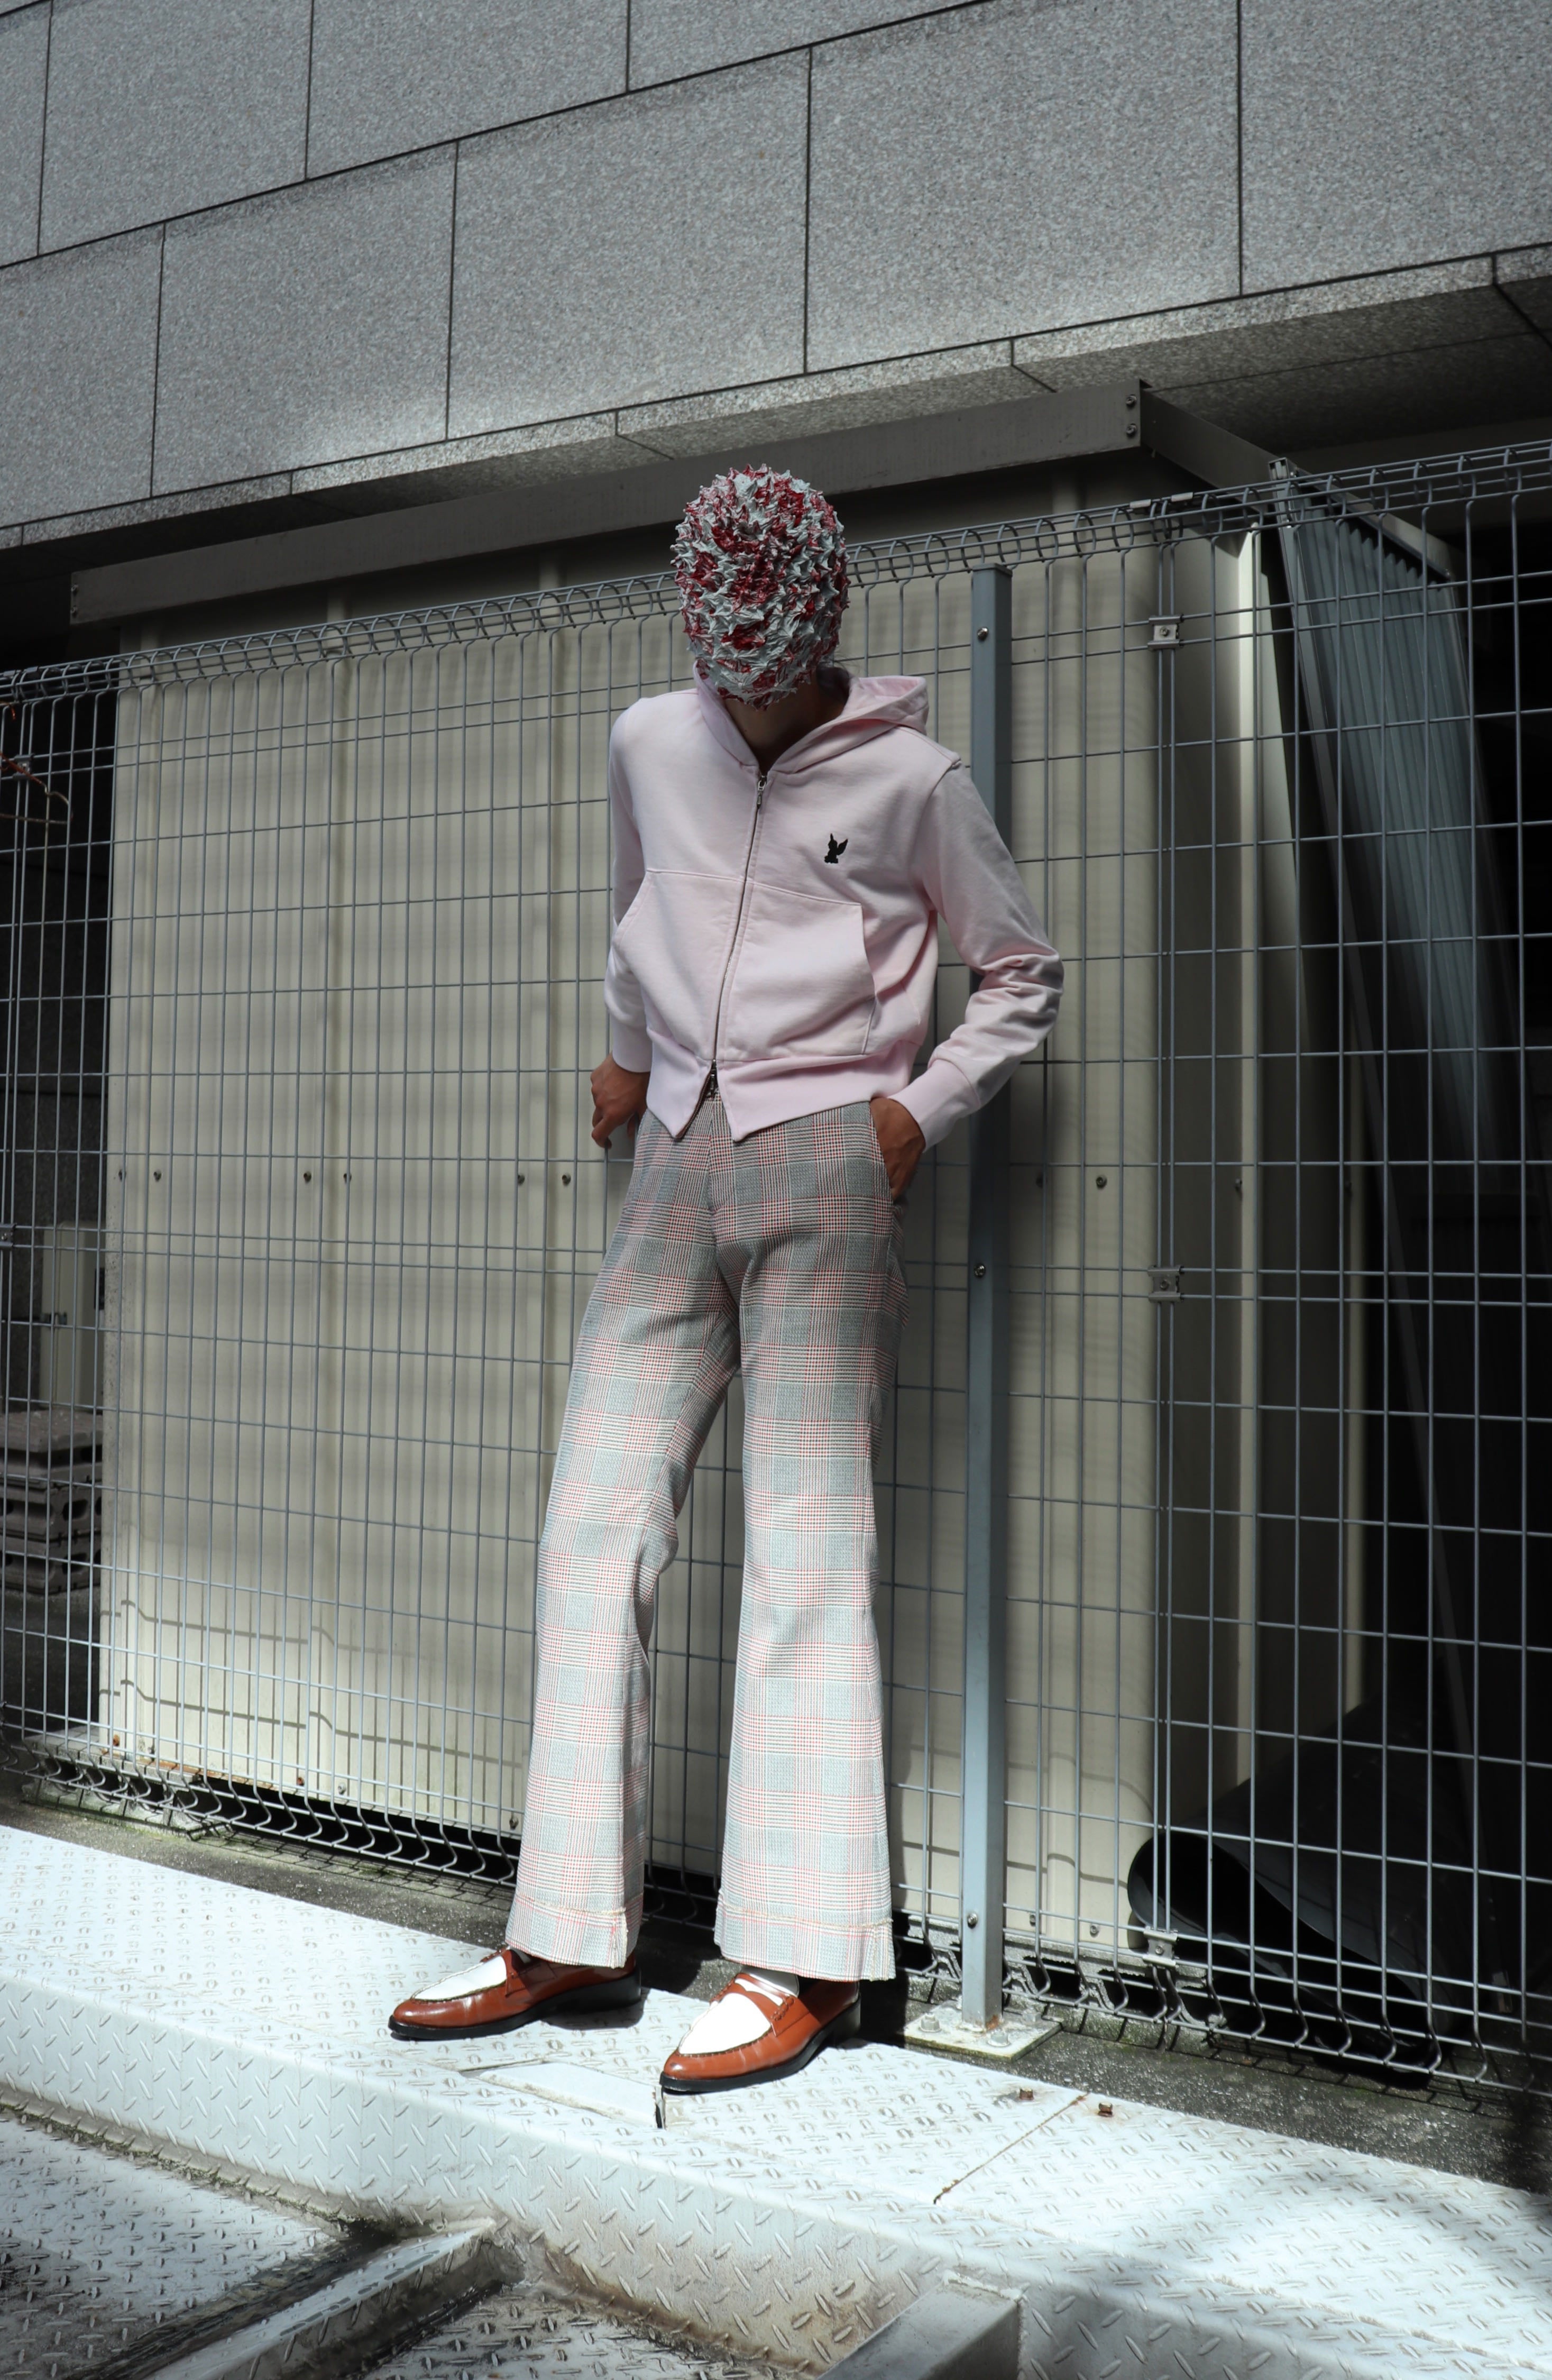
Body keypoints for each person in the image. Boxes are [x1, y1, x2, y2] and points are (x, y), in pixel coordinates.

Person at [390, 467, 1063, 2093]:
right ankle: (567, 1928)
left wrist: (911, 1114)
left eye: (770, 664)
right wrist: (629, 1057)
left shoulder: (911, 780)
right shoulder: (651, 739)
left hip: (830, 1153)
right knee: (594, 1517)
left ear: (820, 632)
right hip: (677, 1152)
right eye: (723, 662)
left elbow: (1021, 971)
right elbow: (642, 913)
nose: (743, 692)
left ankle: (807, 1957)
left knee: (808, 1539)